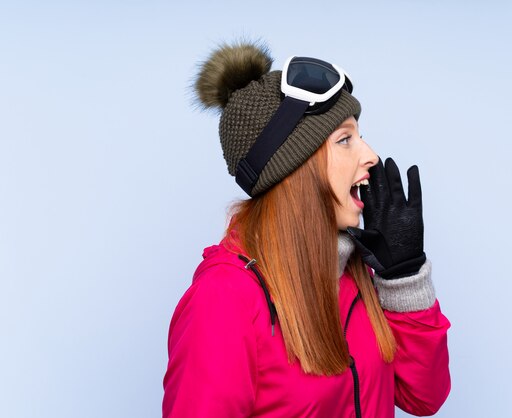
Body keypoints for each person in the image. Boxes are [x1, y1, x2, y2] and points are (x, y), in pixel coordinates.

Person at [162, 41, 451, 417]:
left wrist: (404, 278)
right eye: (345, 140)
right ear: (294, 169)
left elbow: (423, 397)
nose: (371, 156)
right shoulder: (224, 299)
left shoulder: (353, 276)